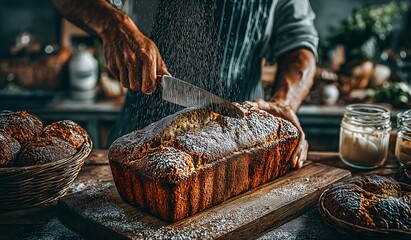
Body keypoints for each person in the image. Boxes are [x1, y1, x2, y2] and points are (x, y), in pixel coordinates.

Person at [52, 0, 318, 169]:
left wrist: (282, 104)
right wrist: (112, 23)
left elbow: (299, 44)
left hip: (243, 146)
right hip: (137, 142)